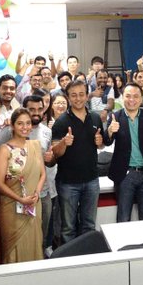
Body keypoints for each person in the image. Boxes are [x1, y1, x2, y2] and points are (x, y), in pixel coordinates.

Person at [51, 80, 104, 244]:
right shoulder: (61, 122)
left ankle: (87, 254)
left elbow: (101, 144)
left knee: (89, 224)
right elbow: (55, 153)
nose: (78, 98)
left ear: (87, 96)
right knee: (68, 227)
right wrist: (64, 143)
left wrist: (100, 142)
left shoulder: (95, 117)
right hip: (68, 183)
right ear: (68, 97)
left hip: (92, 180)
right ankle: (70, 257)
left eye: (81, 94)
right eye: (73, 95)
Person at [104, 83, 143, 222]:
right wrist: (110, 131)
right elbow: (107, 142)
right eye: (128, 96)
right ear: (122, 97)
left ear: (141, 99)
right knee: (124, 217)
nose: (132, 99)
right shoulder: (115, 116)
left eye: (136, 96)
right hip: (125, 174)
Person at [0, 109, 46, 263]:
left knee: (34, 242)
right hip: (12, 206)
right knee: (14, 248)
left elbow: (42, 174)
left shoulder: (35, 145)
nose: (25, 127)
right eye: (20, 123)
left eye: (28, 123)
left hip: (33, 204)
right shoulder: (5, 150)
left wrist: (36, 194)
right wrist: (20, 199)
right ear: (12, 126)